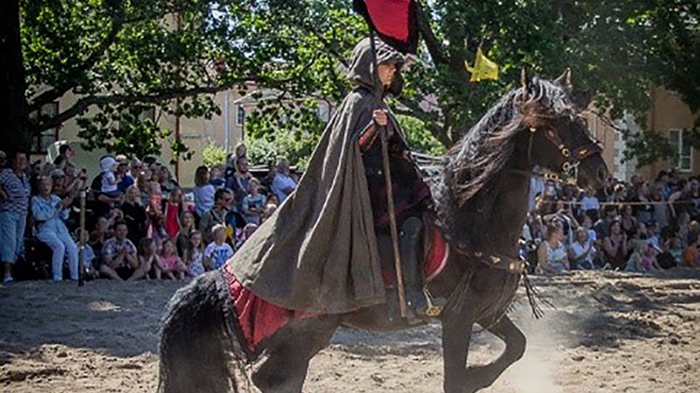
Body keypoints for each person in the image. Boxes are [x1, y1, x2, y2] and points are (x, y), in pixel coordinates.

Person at [230, 37, 433, 316]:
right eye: (387, 66)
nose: (392, 71)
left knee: (427, 211)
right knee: (412, 224)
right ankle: (411, 295)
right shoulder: (358, 103)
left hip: (388, 183)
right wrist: (374, 127)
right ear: (371, 67)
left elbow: (394, 148)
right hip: (365, 189)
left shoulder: (379, 103)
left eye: (394, 67)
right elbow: (354, 149)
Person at [31, 176, 79, 281]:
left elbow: (64, 216)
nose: (45, 187)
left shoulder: (56, 199)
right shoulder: (35, 200)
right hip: (45, 228)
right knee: (59, 247)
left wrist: (65, 207)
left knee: (72, 248)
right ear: (39, 187)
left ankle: (74, 275)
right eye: (43, 185)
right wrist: (56, 208)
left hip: (60, 227)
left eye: (48, 184)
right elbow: (39, 216)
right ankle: (57, 275)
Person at [0, 150, 30, 284]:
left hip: (22, 213)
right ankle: (7, 274)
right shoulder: (6, 174)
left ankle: (14, 271)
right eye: (19, 159)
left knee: (18, 243)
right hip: (9, 211)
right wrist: (3, 194)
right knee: (9, 242)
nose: (21, 162)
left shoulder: (25, 177)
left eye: (23, 159)